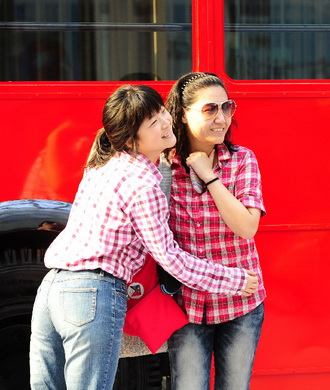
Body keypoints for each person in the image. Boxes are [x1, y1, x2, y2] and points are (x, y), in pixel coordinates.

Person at [29, 84, 259, 390]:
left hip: (51, 290)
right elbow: (170, 258)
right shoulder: (142, 184)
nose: (165, 122)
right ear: (130, 140)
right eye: (153, 122)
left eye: (162, 112)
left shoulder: (103, 164)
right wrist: (235, 280)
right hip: (92, 292)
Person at [165, 72, 266, 390]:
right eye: (210, 109)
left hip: (241, 302)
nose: (221, 118)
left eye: (227, 107)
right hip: (186, 307)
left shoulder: (241, 161)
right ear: (183, 114)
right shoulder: (163, 167)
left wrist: (208, 176)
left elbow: (247, 227)